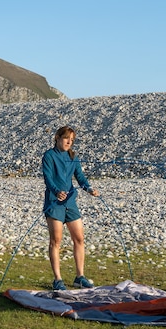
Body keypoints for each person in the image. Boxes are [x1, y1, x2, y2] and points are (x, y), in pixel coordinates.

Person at [42, 125, 100, 291]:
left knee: (79, 239)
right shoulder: (49, 156)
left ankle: (80, 277)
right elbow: (48, 178)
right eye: (66, 138)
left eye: (72, 140)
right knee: (56, 241)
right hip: (54, 203)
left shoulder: (73, 157)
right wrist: (56, 191)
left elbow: (80, 177)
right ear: (57, 137)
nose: (69, 142)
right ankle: (58, 280)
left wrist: (88, 188)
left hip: (70, 203)